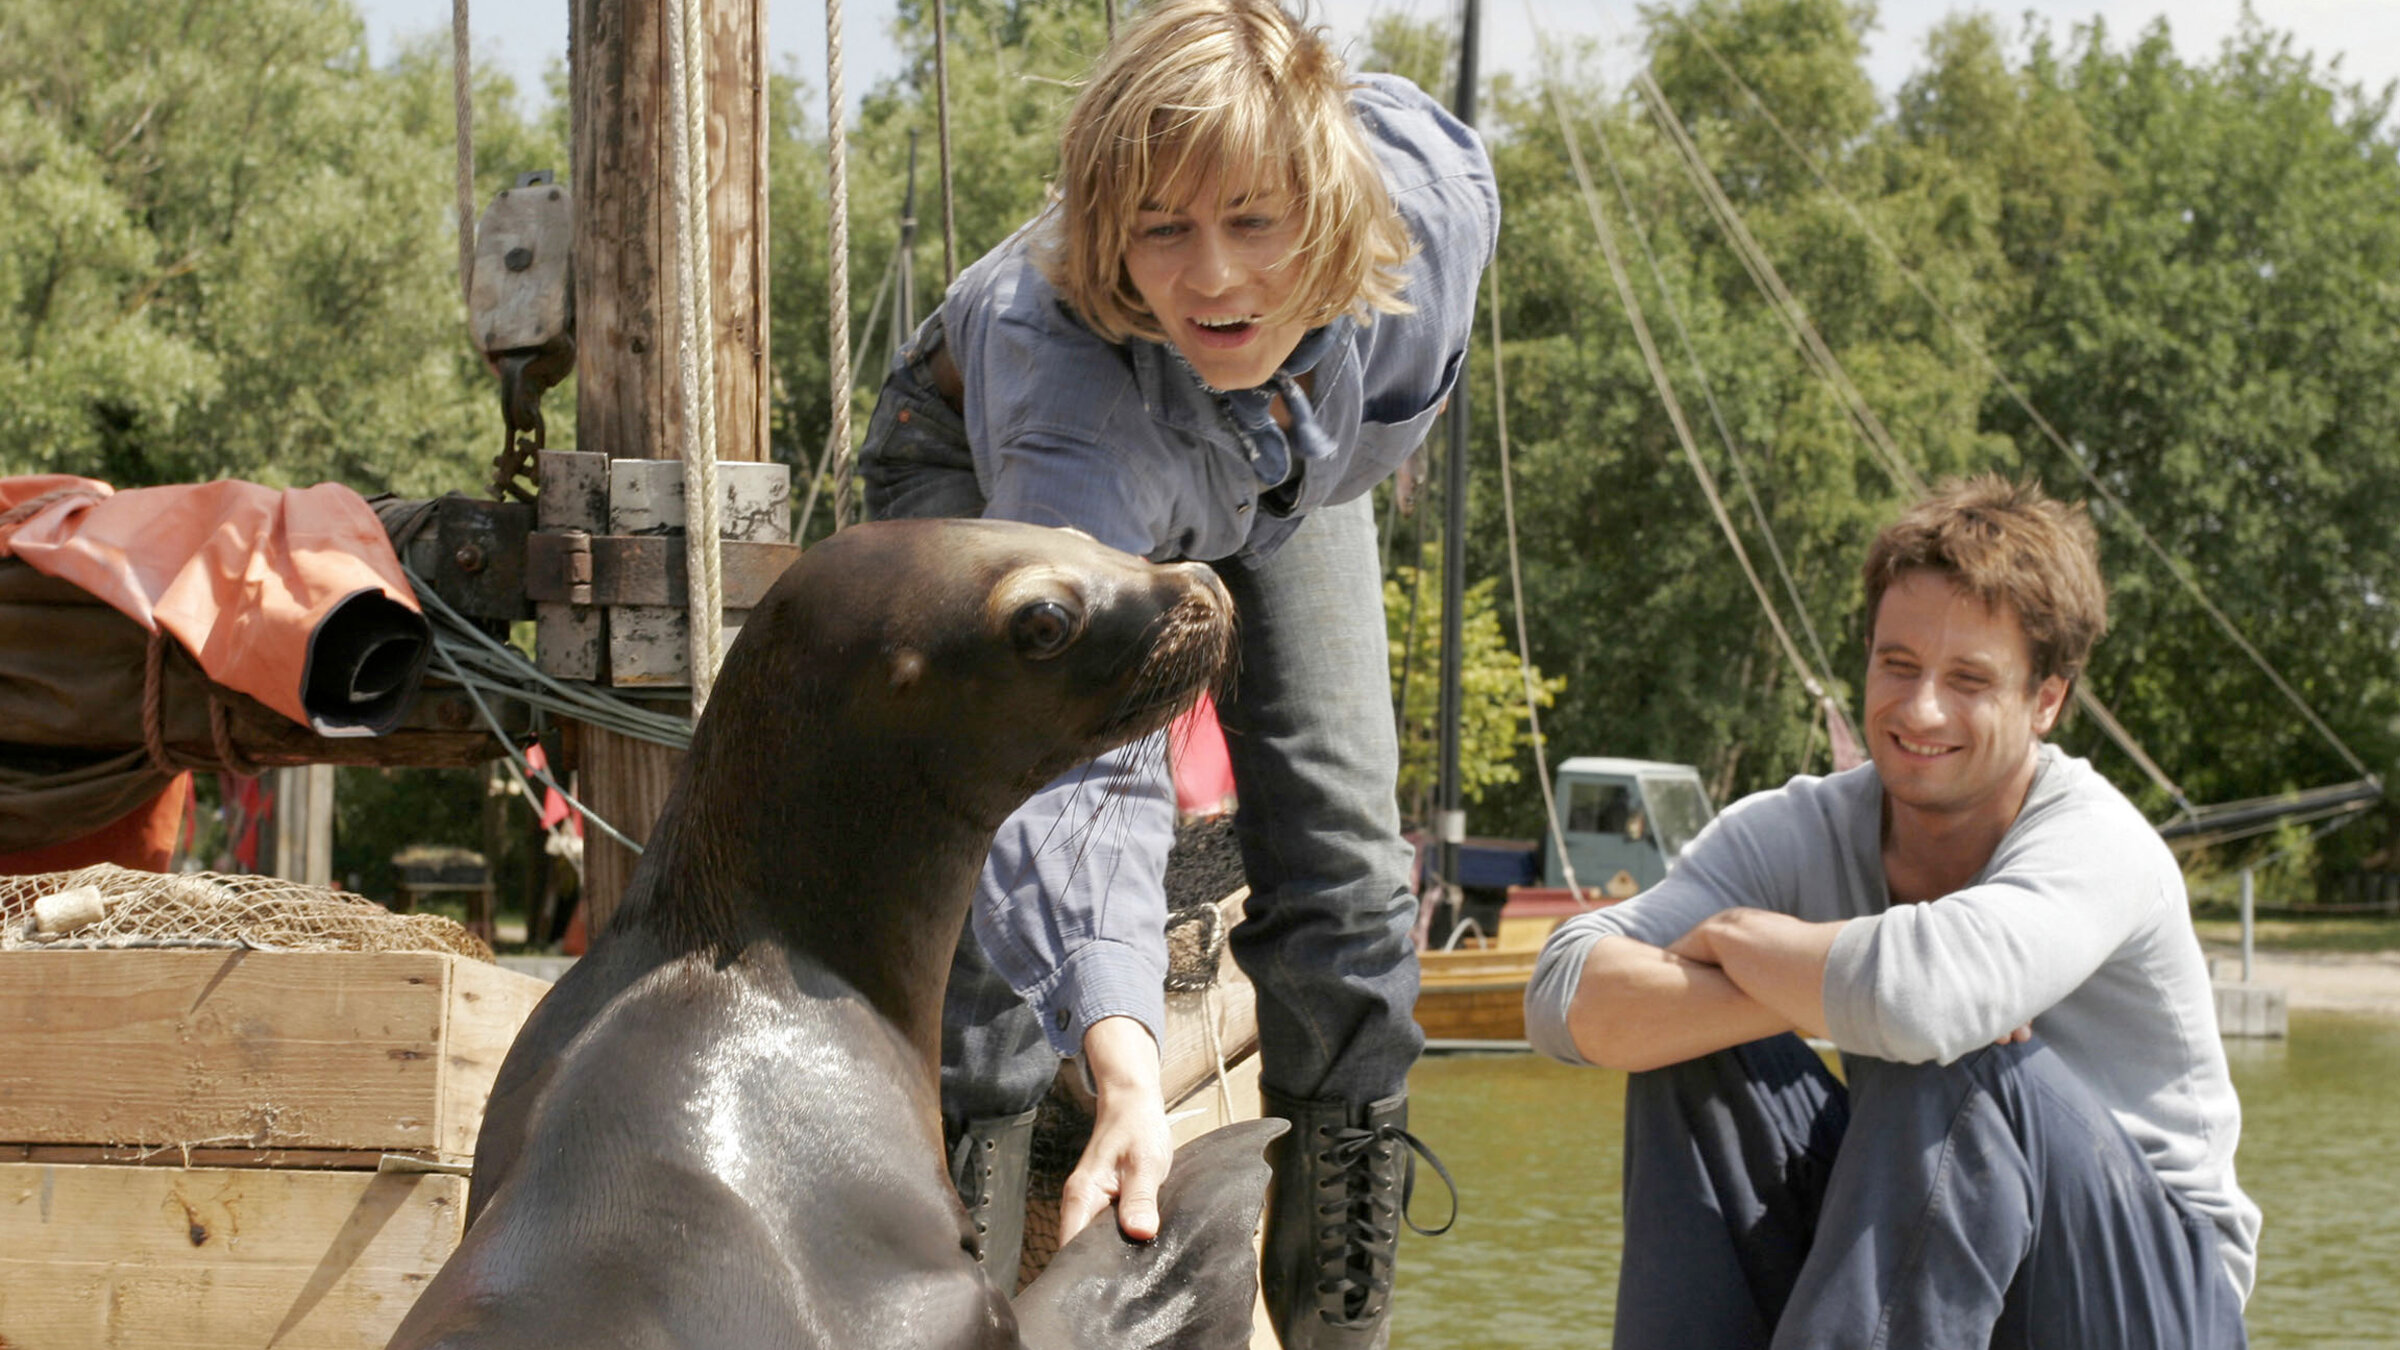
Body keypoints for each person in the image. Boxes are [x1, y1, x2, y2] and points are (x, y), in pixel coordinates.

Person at [854, 2, 1496, 1345]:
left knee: (1356, 872)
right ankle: (966, 1243)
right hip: (998, 455)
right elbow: (1086, 771)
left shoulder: (1431, 218)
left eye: (1253, 221)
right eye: (1163, 228)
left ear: (1329, 212)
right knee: (983, 846)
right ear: (1110, 237)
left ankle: (1337, 1313)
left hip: (1281, 471)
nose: (1214, 278)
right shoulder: (1063, 398)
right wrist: (1131, 1067)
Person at [1524, 475, 2259, 1348]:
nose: (1921, 710)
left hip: (2153, 1299)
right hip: (1948, 1245)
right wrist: (1796, 979)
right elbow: (1565, 994)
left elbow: (1931, 1009)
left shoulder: (2098, 842)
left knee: (1960, 1060)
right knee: (1697, 1048)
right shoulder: (1798, 827)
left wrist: (1741, 944)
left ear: (2047, 701)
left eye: (1971, 680)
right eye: (1898, 665)